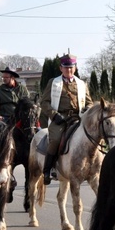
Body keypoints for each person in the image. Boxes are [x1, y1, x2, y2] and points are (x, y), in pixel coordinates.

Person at [39, 54, 93, 185]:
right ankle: (48, 170)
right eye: (66, 68)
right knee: (55, 140)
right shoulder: (53, 82)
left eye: (71, 67)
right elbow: (44, 102)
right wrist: (54, 115)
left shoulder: (81, 84)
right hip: (59, 119)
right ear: (61, 68)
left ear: (75, 68)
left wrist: (87, 110)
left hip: (78, 118)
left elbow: (89, 102)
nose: (69, 70)